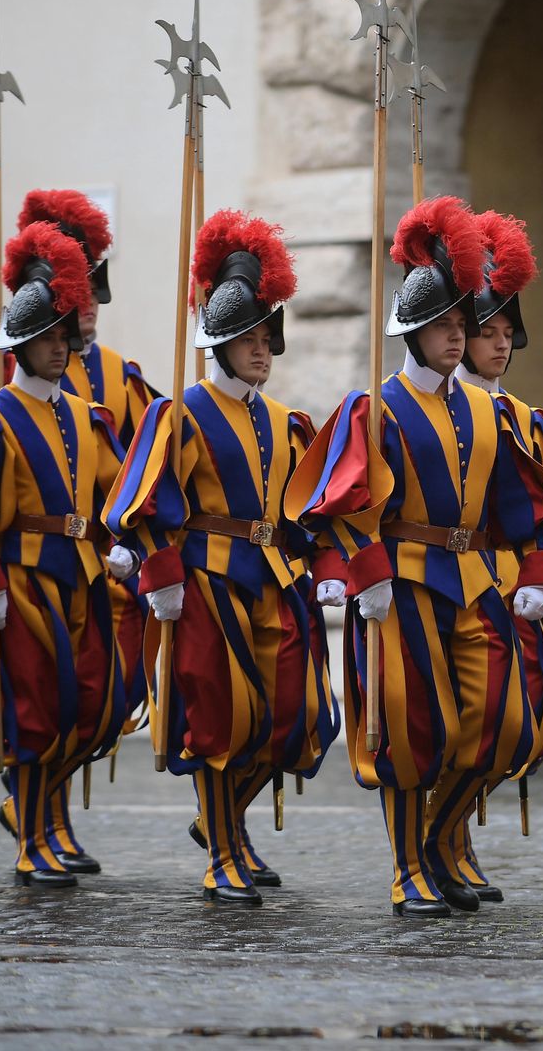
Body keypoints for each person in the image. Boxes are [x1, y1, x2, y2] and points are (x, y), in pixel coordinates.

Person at [288, 196, 543, 917]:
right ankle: (409, 866)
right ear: (411, 328)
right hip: (401, 583)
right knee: (409, 731)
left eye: (461, 323)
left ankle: (439, 838)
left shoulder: (487, 411)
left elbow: (517, 505)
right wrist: (363, 572)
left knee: (503, 721)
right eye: (442, 322)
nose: (455, 334)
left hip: (472, 581)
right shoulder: (374, 409)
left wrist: (535, 568)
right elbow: (332, 507)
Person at [105, 209, 341, 904]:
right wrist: (161, 576)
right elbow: (136, 505)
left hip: (276, 581)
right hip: (207, 580)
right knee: (221, 719)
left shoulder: (285, 420)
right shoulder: (179, 414)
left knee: (295, 717)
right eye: (248, 338)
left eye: (269, 336)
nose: (262, 349)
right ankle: (225, 850)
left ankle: (222, 822)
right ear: (220, 342)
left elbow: (303, 513)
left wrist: (325, 566)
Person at [0, 221, 127, 888]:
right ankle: (32, 837)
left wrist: (121, 545)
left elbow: (111, 493)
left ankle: (46, 824)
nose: (62, 348)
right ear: (23, 345)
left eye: (67, 336)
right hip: (24, 577)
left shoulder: (82, 413)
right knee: (36, 711)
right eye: (49, 338)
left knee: (90, 704)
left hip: (81, 573)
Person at [443, 210, 543, 903]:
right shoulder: (439, 411)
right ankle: (446, 836)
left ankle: (452, 828)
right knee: (464, 719)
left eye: (502, 334)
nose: (497, 346)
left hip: (515, 586)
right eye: (482, 333)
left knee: (524, 723)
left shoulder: (526, 420)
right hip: (454, 580)